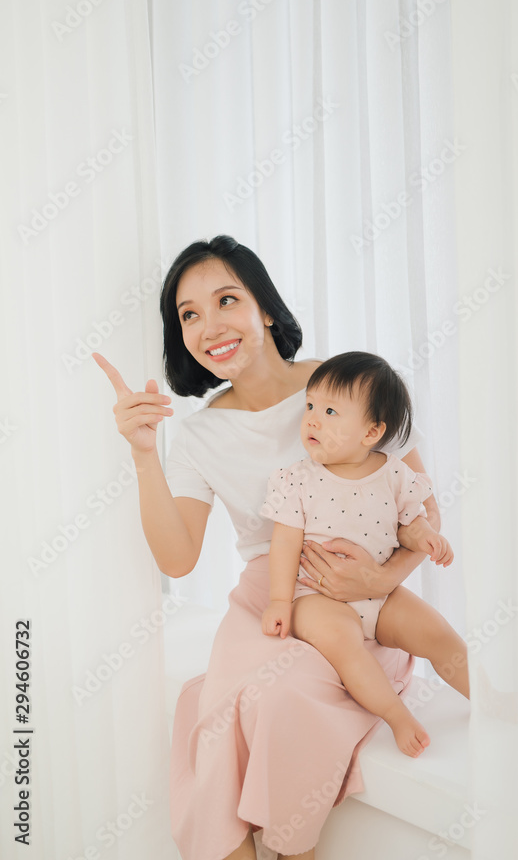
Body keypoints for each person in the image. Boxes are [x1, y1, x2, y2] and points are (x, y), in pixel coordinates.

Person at [93, 234, 470, 860]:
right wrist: (142, 457)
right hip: (269, 600)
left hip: (358, 601)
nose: (209, 325)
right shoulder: (198, 434)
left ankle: (294, 848)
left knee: (280, 700)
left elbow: (423, 510)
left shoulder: (347, 386)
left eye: (226, 300)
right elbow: (178, 559)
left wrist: (378, 583)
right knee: (219, 712)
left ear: (264, 307)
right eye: (189, 315)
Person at [261, 351, 456, 758]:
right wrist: (280, 600)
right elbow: (285, 542)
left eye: (330, 411)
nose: (312, 419)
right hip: (317, 596)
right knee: (343, 644)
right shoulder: (297, 479)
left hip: (379, 596)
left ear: (371, 433)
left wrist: (426, 539)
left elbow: (409, 523)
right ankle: (397, 716)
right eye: (311, 405)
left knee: (440, 635)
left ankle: (491, 698)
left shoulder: (394, 473)